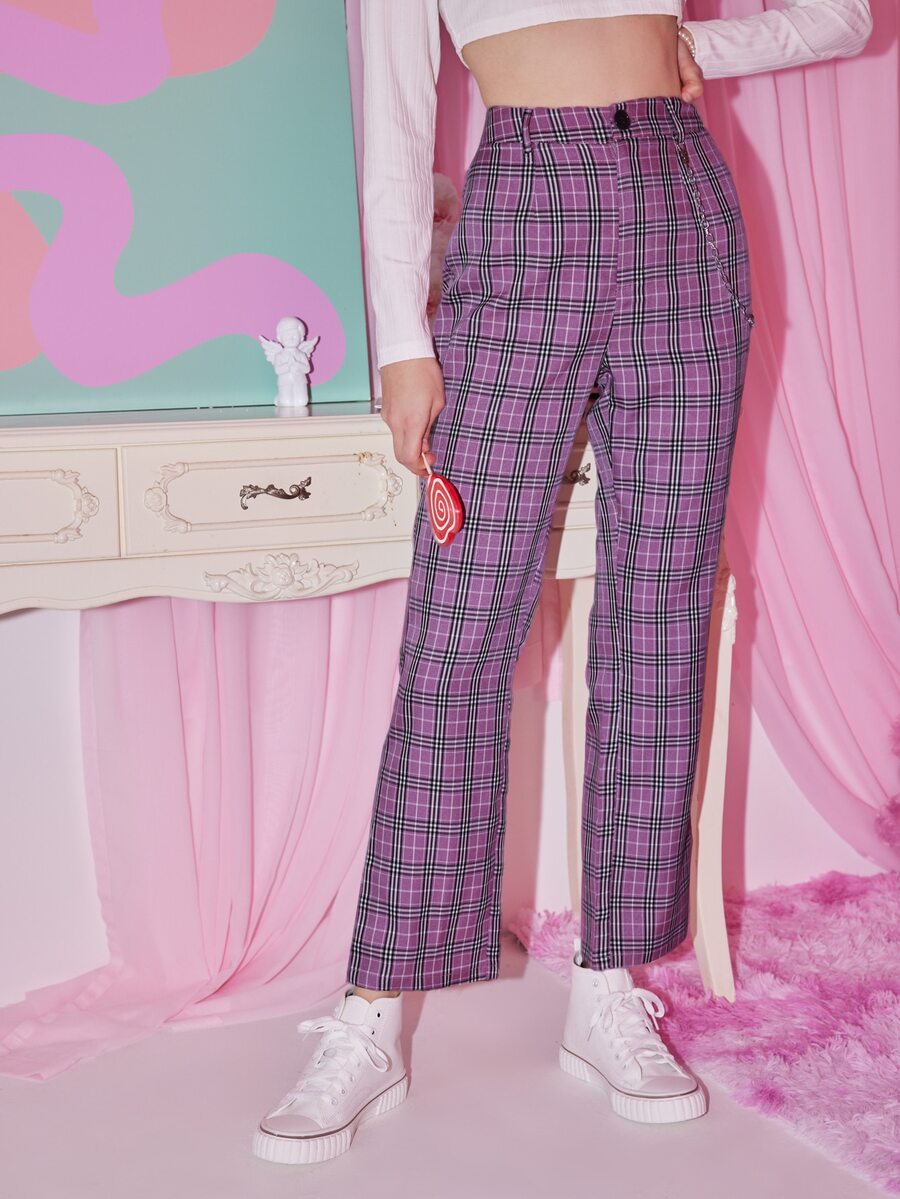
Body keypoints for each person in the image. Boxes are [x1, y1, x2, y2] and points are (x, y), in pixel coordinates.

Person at [253, 0, 873, 1165]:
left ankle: (608, 985)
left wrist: (699, 46)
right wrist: (403, 344)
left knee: (661, 614)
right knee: (457, 636)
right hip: (526, 217)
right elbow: (393, 124)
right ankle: (371, 1014)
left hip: (685, 211)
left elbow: (841, 18)